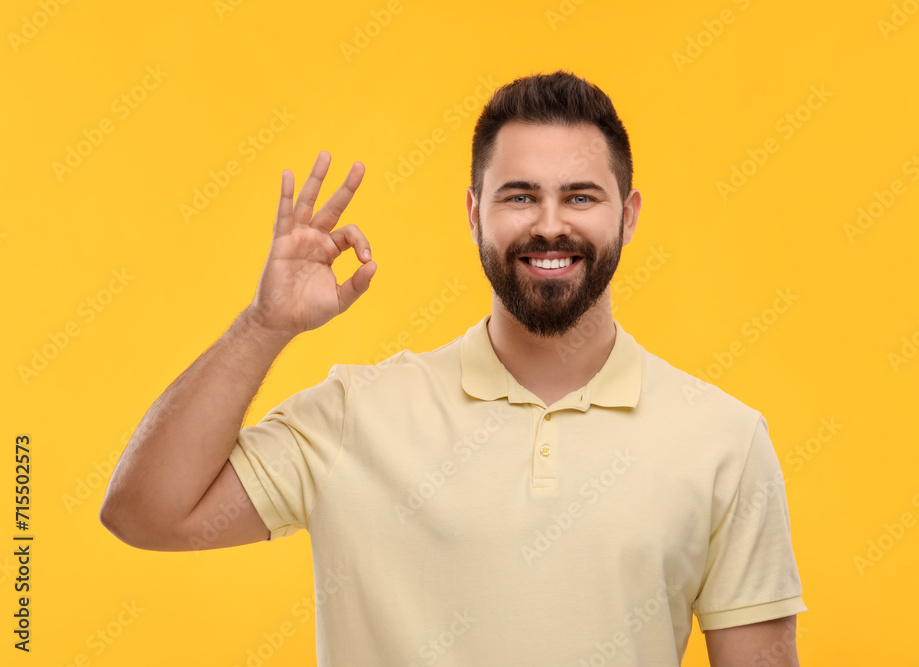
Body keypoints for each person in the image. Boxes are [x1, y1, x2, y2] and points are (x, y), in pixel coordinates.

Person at [101, 70, 806, 666]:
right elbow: (145, 512)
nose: (550, 224)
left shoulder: (723, 440)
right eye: (519, 195)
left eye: (581, 196)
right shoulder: (356, 414)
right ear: (474, 215)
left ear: (628, 214)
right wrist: (263, 326)